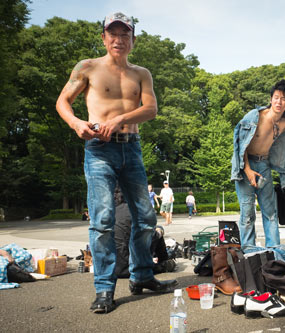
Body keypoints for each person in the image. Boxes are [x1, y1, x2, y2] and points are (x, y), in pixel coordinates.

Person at [55, 12, 177, 314]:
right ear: (104, 37)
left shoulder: (141, 74)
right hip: (98, 148)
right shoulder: (88, 67)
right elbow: (63, 102)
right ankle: (105, 289)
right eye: (113, 33)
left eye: (125, 34)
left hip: (131, 148)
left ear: (133, 40)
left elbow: (151, 109)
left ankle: (142, 276)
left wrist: (121, 118)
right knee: (102, 220)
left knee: (146, 218)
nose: (119, 39)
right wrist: (75, 124)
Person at [231, 79, 285, 249]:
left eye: (284, 99)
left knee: (271, 212)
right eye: (276, 97)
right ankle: (248, 250)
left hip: (264, 165)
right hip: (246, 165)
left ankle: (274, 249)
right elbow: (240, 143)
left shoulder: (284, 123)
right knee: (247, 211)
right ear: (271, 98)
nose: (279, 102)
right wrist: (248, 170)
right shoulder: (256, 116)